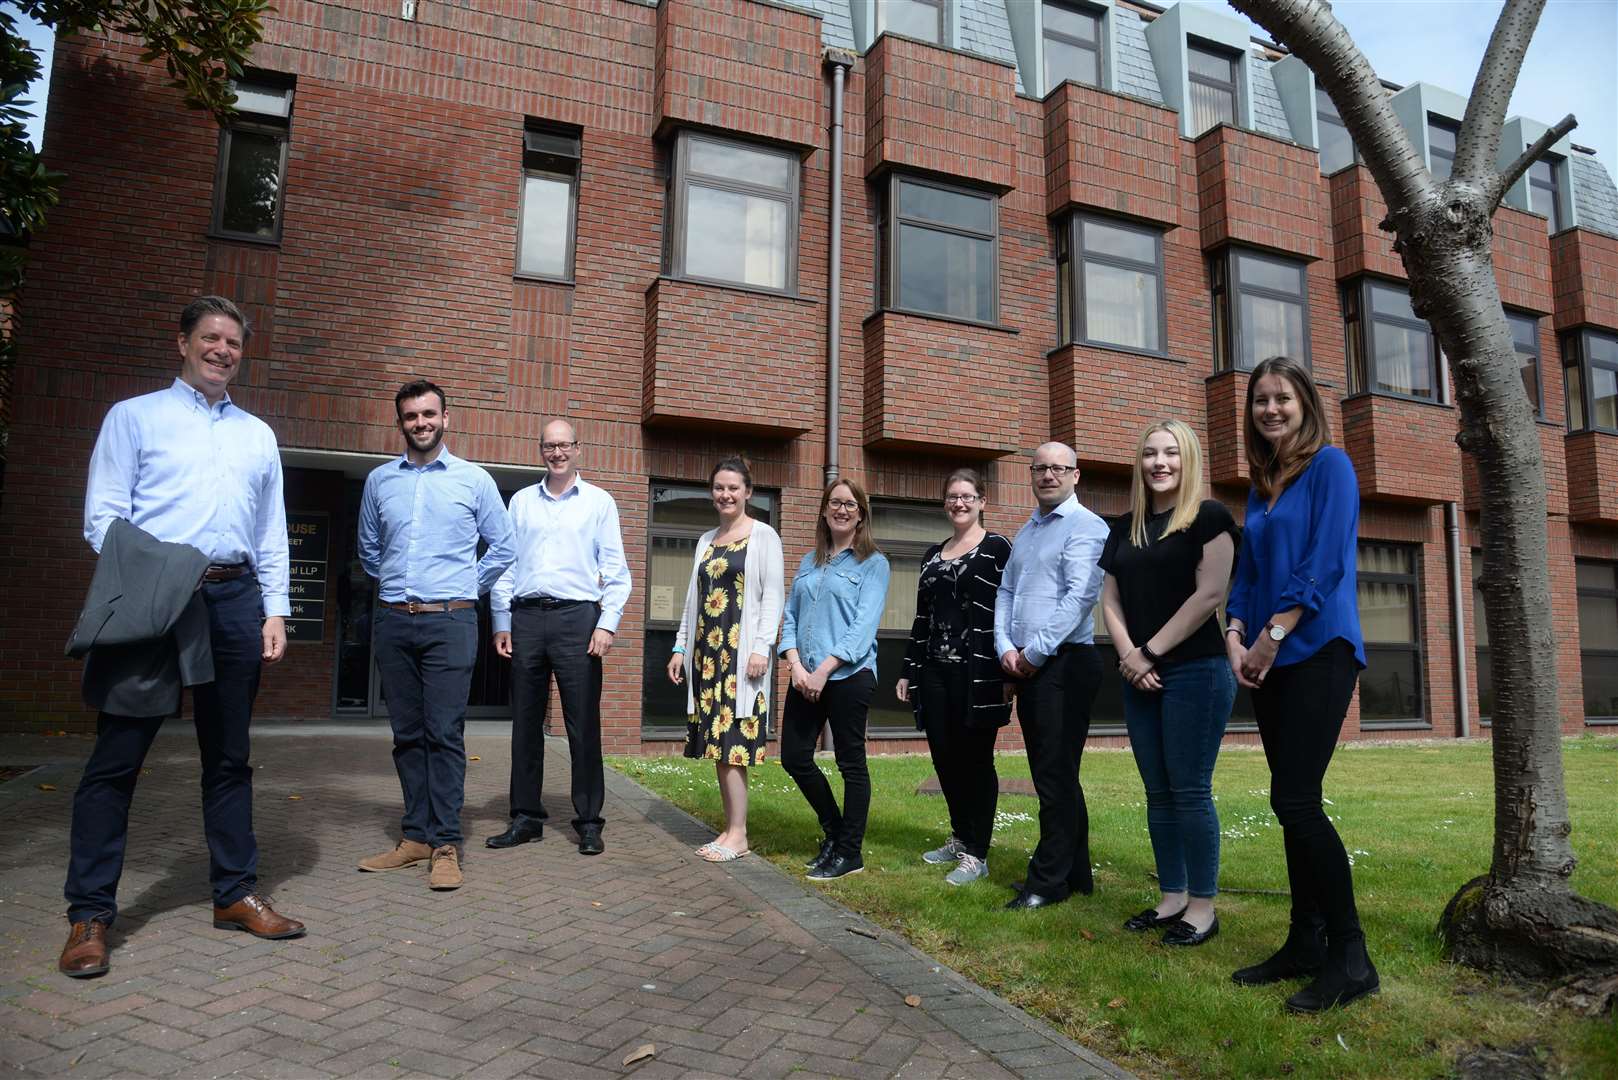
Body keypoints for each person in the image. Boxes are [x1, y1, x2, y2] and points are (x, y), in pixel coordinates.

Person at [61, 295, 302, 980]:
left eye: (233, 342)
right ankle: (90, 915)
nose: (221, 349)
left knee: (229, 758)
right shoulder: (134, 418)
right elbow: (102, 518)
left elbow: (270, 531)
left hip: (234, 600)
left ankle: (234, 894)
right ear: (182, 343)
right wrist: (160, 574)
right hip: (154, 601)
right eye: (210, 338)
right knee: (117, 759)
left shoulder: (257, 435)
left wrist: (274, 610)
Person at [1225, 355, 1376, 1013]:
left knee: (1296, 800)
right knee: (1290, 802)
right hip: (1266, 659)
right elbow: (1248, 571)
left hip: (1318, 649)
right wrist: (1236, 632)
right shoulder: (1263, 486)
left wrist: (1273, 632)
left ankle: (1352, 957)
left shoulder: (1331, 467)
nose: (1270, 410)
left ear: (1305, 403)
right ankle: (1304, 943)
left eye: (1281, 398)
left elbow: (1325, 562)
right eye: (1260, 400)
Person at [357, 379, 515, 891]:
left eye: (428, 414)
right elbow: (368, 549)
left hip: (451, 621)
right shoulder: (380, 481)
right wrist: (398, 588)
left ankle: (446, 842)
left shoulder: (474, 480)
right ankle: (415, 837)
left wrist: (467, 586)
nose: (420, 423)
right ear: (400, 422)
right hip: (394, 620)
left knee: (444, 733)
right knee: (406, 734)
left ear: (446, 417)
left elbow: (504, 546)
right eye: (410, 416)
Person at [1099, 421, 1238, 946]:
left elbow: (1209, 595)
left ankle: (1203, 907)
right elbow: (1109, 601)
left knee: (1189, 789)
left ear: (1189, 460)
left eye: (1171, 453)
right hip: (1140, 673)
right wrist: (1130, 656)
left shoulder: (1209, 518)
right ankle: (1172, 897)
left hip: (1196, 672)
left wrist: (1150, 651)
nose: (1160, 463)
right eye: (1151, 454)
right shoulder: (1126, 527)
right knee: (1158, 792)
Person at [488, 420, 631, 856]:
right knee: (525, 724)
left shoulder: (599, 502)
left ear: (577, 449)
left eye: (564, 445)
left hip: (578, 619)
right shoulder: (521, 503)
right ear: (540, 450)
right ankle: (526, 817)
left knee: (582, 724)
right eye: (549, 446)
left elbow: (617, 572)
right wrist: (501, 619)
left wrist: (606, 624)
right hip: (528, 617)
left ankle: (589, 821)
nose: (557, 453)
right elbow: (506, 565)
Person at [993, 441, 1109, 911]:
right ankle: (1076, 874)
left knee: (1053, 777)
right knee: (1059, 774)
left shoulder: (1087, 527)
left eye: (1058, 468)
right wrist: (1005, 647)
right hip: (1029, 663)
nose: (1048, 475)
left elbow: (1081, 596)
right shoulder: (1027, 531)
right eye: (1040, 468)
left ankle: (1047, 882)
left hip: (1065, 663)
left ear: (1075, 475)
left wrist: (1034, 654)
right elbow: (1007, 591)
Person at [895, 468, 1013, 887]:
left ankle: (978, 853)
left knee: (976, 761)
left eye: (967, 496)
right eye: (952, 496)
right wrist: (909, 669)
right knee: (945, 758)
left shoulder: (997, 548)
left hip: (978, 674)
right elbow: (922, 618)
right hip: (935, 673)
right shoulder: (932, 553)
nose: (958, 503)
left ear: (982, 501)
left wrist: (1010, 664)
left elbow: (1010, 609)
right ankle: (961, 836)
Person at [665, 457, 784, 862]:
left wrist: (761, 647)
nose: (725, 495)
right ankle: (731, 828)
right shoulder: (705, 541)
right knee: (717, 746)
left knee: (734, 744)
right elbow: (691, 602)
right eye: (719, 487)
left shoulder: (763, 536)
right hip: (708, 658)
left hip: (740, 658)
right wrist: (680, 647)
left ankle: (738, 834)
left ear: (748, 492)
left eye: (733, 488)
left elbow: (773, 596)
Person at [778, 478, 890, 881]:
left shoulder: (873, 563)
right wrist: (795, 665)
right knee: (793, 756)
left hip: (848, 676)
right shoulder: (810, 561)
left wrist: (823, 670)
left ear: (861, 514)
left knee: (850, 763)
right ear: (824, 511)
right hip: (804, 675)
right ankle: (834, 832)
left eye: (849, 504)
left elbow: (862, 628)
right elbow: (790, 616)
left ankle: (850, 852)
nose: (841, 510)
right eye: (834, 503)